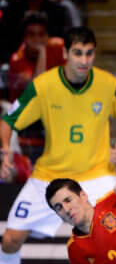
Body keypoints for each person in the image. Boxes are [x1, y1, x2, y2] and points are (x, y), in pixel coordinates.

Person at [0, 27, 116, 264]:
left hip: (97, 174)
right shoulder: (43, 85)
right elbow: (9, 119)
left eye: (89, 53)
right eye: (77, 53)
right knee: (10, 239)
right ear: (64, 54)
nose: (84, 60)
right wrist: (5, 152)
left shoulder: (109, 84)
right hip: (50, 176)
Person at [7, 12, 66, 164]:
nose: (37, 40)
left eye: (41, 35)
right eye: (32, 35)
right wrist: (42, 53)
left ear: (48, 36)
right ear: (24, 38)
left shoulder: (60, 48)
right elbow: (37, 90)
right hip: (26, 114)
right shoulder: (17, 59)